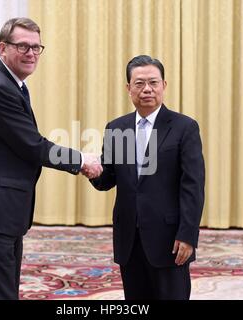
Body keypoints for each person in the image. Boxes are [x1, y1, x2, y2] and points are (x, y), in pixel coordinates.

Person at [0, 17, 101, 300]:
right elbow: (33, 146)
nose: (32, 53)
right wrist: (82, 160)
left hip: (0, 212)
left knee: (4, 292)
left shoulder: (13, 85)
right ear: (3, 47)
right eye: (23, 46)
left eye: (36, 47)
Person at [90, 55, 205, 300]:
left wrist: (188, 234)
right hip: (129, 238)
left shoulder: (184, 127)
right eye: (139, 83)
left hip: (170, 239)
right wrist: (88, 168)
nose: (147, 90)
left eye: (153, 82)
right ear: (128, 88)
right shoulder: (116, 128)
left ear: (164, 85)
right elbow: (107, 179)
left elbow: (192, 186)